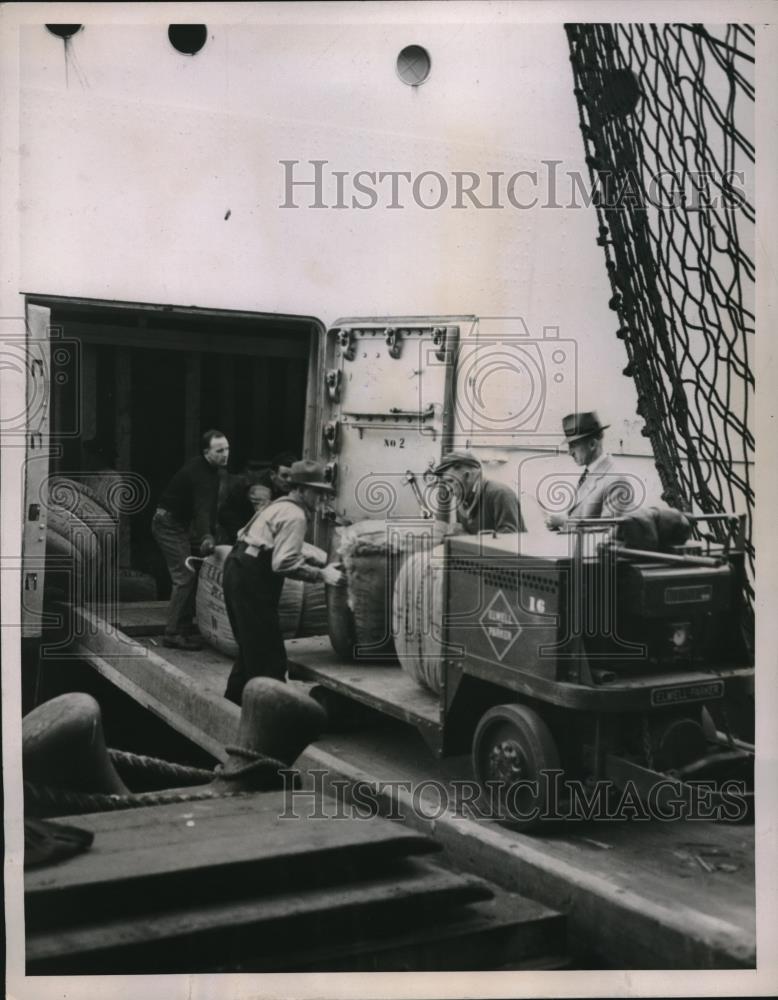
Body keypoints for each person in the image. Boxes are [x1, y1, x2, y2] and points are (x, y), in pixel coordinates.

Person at [222, 459, 343, 705]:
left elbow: (265, 541)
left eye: (324, 495)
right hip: (252, 579)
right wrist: (322, 575)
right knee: (269, 659)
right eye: (317, 493)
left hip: (239, 567)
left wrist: (312, 557)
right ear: (300, 490)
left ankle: (233, 706)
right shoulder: (295, 515)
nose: (321, 501)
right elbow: (283, 563)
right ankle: (273, 720)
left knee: (251, 649)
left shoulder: (280, 505)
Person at [152, 430, 230, 649]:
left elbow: (210, 508)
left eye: (227, 449)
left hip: (181, 525)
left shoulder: (213, 471)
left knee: (190, 572)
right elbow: (202, 509)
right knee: (185, 575)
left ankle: (184, 628)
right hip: (167, 525)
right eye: (219, 450)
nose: (226, 454)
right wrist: (206, 535)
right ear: (207, 452)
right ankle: (173, 633)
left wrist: (210, 533)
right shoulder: (200, 474)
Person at [545, 412, 633, 531]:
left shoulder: (616, 480)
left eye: (573, 445)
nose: (570, 452)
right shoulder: (589, 473)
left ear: (592, 444)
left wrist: (564, 522)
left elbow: (608, 531)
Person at [431, 450, 524, 534]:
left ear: (467, 476)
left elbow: (509, 543)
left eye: (451, 481)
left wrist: (465, 538)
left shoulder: (500, 494)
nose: (448, 489)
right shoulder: (462, 499)